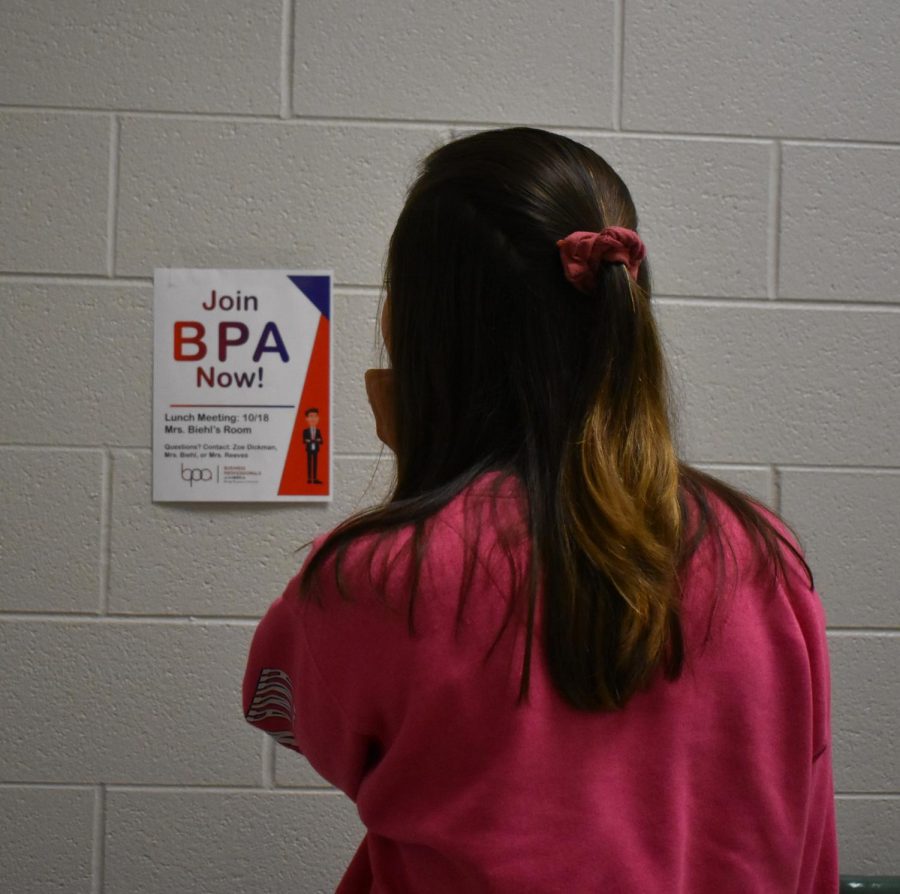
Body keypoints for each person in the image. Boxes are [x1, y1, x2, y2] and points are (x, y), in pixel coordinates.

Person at [243, 127, 838, 892]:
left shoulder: (370, 578)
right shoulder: (766, 556)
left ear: (427, 339)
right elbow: (807, 829)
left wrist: (422, 475)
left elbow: (288, 714)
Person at [302, 407, 324, 484]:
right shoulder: (305, 431)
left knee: (315, 463)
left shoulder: (318, 431)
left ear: (318, 418)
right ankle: (309, 478)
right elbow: (303, 440)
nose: (313, 419)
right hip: (309, 448)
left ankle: (314, 479)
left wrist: (319, 440)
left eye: (315, 416)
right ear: (307, 419)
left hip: (316, 448)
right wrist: (307, 440)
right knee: (309, 463)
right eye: (311, 416)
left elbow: (322, 441)